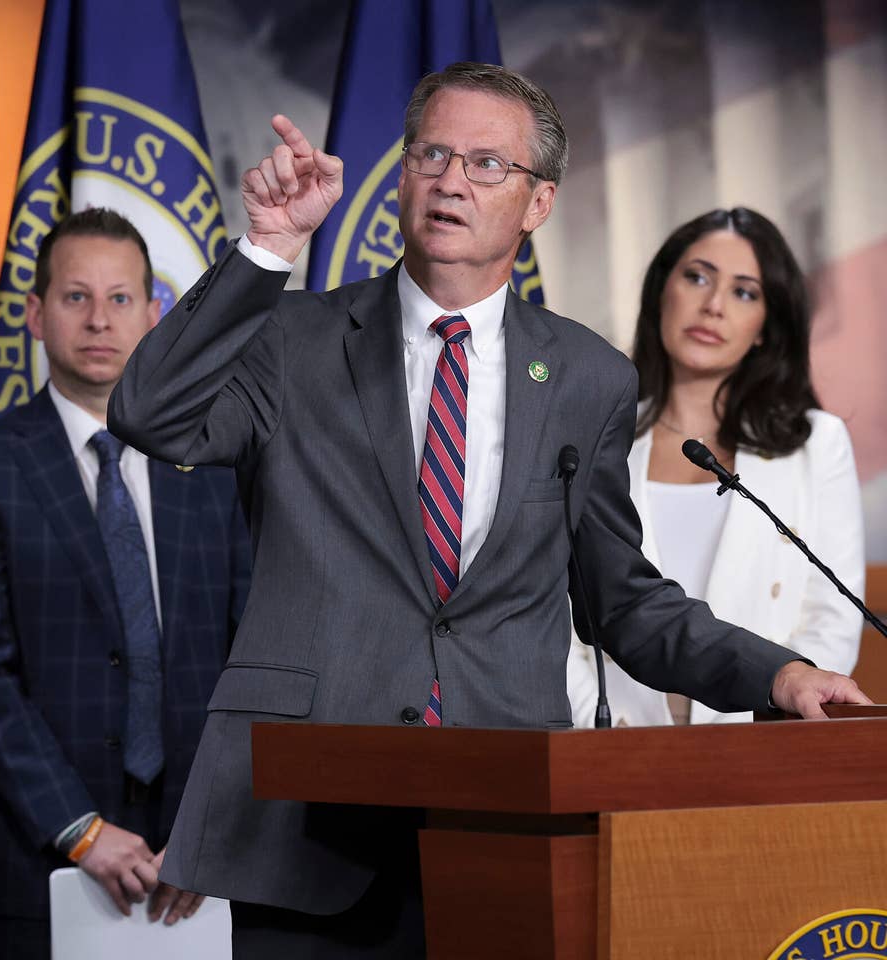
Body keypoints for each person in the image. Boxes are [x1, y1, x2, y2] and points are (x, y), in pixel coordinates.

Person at [107, 61, 868, 958]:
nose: (451, 181)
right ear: (402, 176)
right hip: (304, 811)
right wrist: (267, 249)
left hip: (507, 811)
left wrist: (777, 676)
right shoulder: (294, 338)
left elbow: (622, 599)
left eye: (485, 164)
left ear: (538, 203)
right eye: (431, 154)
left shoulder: (588, 378)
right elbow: (150, 415)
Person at [0, 208, 252, 960]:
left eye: (120, 298)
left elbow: (251, 663)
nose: (99, 320)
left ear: (153, 313)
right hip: (43, 854)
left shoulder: (215, 466)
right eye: (76, 298)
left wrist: (209, 825)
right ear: (37, 315)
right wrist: (80, 829)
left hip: (198, 859)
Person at [567, 208, 864, 727]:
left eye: (744, 292)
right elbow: (555, 616)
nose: (713, 306)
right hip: (609, 745)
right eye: (697, 277)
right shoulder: (588, 431)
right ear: (663, 290)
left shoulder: (817, 445)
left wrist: (757, 731)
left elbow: (830, 623)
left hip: (757, 749)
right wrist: (597, 729)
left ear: (765, 330)